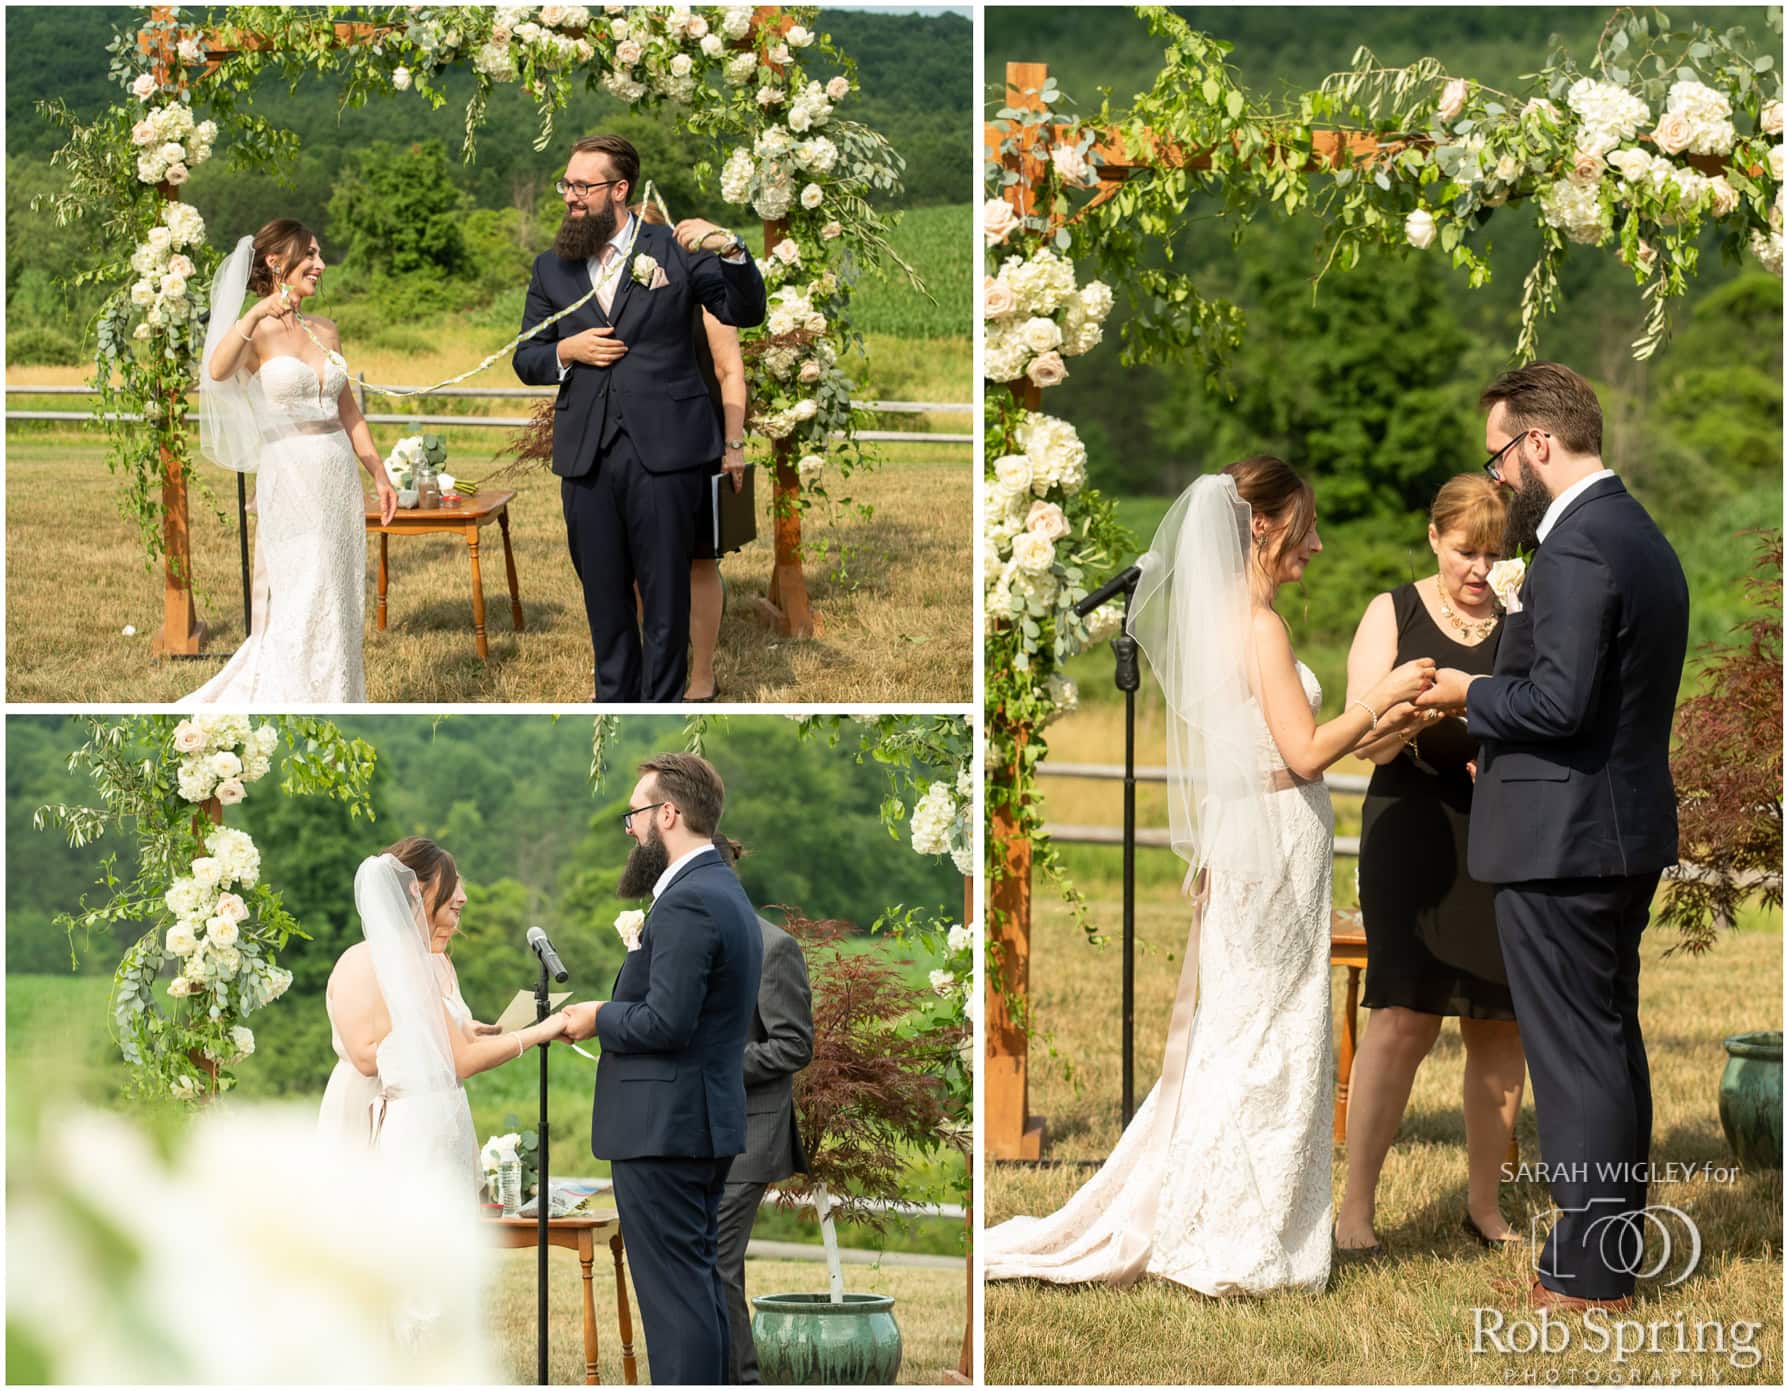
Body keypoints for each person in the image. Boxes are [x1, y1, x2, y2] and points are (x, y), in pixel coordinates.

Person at [984, 457, 1436, 1294]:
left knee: (1242, 1024)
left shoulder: (1216, 618)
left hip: (1249, 832)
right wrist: (1384, 699)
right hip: (1275, 833)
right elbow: (1303, 751)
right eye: (1305, 527)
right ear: (1262, 525)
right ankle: (1241, 1231)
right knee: (1270, 1026)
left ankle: (1214, 1210)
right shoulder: (1261, 628)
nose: (1318, 544)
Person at [1419, 363, 1689, 1312]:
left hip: (1565, 841)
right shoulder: (1640, 534)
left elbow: (1558, 699)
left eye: (1499, 456)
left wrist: (1469, 695)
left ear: (1538, 443)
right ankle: (1612, 1247)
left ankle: (1589, 1271)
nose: (1497, 479)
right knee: (1607, 1042)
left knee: (1575, 1052)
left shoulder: (1576, 548)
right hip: (1613, 828)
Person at [1335, 475, 1525, 1260]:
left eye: (1496, 552)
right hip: (1411, 828)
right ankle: (1354, 1208)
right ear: (1433, 538)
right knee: (1403, 1017)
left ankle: (1485, 1206)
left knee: (1499, 1021)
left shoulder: (1526, 614)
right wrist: (1413, 710)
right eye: (1465, 550)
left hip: (1506, 833)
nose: (1480, 568)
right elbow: (1361, 740)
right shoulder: (1392, 611)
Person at [512, 135, 766, 703]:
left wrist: (730, 248)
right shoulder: (551, 268)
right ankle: (612, 703)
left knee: (667, 598)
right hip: (587, 457)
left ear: (619, 190)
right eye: (566, 186)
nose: (570, 197)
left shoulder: (673, 249)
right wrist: (566, 351)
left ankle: (663, 705)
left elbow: (743, 310)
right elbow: (525, 357)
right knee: (603, 596)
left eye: (583, 186)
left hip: (667, 452)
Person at [560, 755, 762, 1384]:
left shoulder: (690, 902)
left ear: (667, 814)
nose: (630, 829)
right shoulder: (723, 889)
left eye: (635, 814)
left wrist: (600, 1015)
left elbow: (664, 1023)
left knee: (674, 1301)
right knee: (697, 1287)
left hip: (665, 1130)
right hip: (698, 1123)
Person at [185, 220, 398, 705]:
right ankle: (292, 698)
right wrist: (258, 311)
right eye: (311, 255)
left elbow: (348, 410)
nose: (321, 265)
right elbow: (216, 372)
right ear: (278, 262)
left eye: (321, 255)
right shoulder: (254, 331)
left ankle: (338, 696)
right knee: (303, 589)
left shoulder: (325, 329)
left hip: (337, 475)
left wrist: (379, 474)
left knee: (338, 591)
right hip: (291, 475)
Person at [319, 837, 569, 1182]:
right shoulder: (363, 961)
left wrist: (461, 1030)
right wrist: (543, 1030)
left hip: (431, 1111)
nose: (460, 902)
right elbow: (372, 1057)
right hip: (374, 1109)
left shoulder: (425, 961)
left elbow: (436, 1034)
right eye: (451, 898)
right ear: (415, 892)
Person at [635, 200, 750, 702]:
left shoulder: (703, 294)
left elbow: (730, 372)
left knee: (699, 561)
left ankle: (701, 673)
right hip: (635, 448)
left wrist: (733, 445)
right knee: (637, 566)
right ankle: (658, 664)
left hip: (696, 439)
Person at [709, 835, 813, 1384]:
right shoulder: (701, 947)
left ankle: (742, 1379)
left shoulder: (774, 947)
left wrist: (716, 1060)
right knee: (710, 1267)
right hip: (700, 1134)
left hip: (751, 1135)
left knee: (718, 1268)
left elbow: (794, 1045)